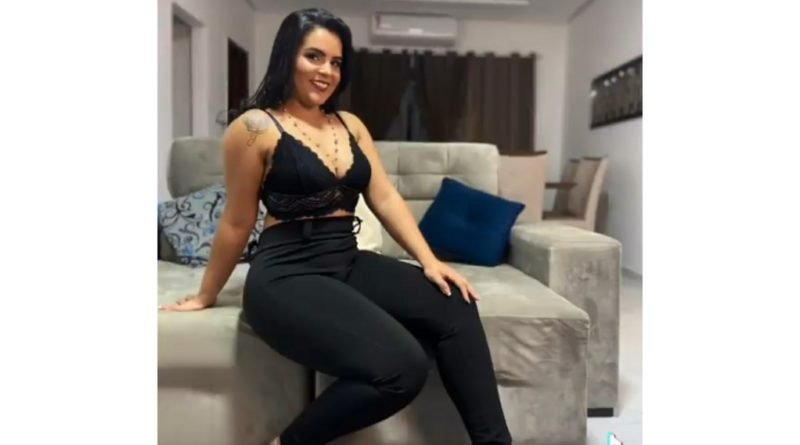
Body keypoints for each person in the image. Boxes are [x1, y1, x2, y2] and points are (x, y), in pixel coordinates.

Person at [159, 7, 512, 445]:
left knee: (456, 304)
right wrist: (206, 294)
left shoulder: (351, 125)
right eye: (314, 56)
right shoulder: (253, 128)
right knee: (402, 366)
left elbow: (384, 196)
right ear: (287, 56)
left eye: (336, 62)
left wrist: (430, 261)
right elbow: (237, 220)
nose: (326, 71)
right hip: (286, 274)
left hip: (345, 259)